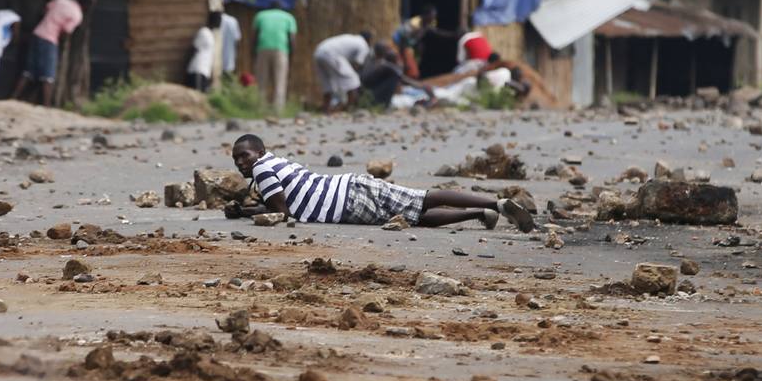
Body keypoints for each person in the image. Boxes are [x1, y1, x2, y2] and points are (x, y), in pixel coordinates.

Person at [225, 134, 536, 231]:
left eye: (245, 155)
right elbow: (284, 203)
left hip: (348, 198)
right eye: (236, 158)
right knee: (415, 212)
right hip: (349, 193)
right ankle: (483, 212)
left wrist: (245, 213)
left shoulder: (263, 170)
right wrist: (247, 210)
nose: (241, 162)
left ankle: (495, 204)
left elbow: (281, 213)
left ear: (259, 152)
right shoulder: (273, 161)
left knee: (422, 201)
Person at [12, 0, 83, 107]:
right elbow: (67, 31)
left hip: (37, 34)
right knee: (48, 75)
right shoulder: (77, 14)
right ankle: (47, 105)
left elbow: (45, 9)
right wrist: (60, 39)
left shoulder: (61, 0)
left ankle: (14, 97)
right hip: (50, 40)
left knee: (28, 71)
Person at [252, 1, 296, 112]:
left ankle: (260, 108)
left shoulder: (260, 15)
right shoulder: (288, 17)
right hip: (281, 49)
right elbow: (292, 38)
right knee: (280, 80)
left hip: (262, 48)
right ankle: (278, 109)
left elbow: (255, 36)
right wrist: (291, 54)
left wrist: (253, 52)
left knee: (261, 80)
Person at [313, 31, 373, 111]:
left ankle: (326, 108)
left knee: (327, 82)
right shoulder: (363, 45)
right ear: (369, 40)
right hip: (331, 54)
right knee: (353, 80)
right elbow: (357, 64)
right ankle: (349, 107)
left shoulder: (352, 38)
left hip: (318, 52)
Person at [220, 12, 242, 79]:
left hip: (216, 59)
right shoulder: (233, 21)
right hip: (229, 58)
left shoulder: (218, 19)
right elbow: (237, 39)